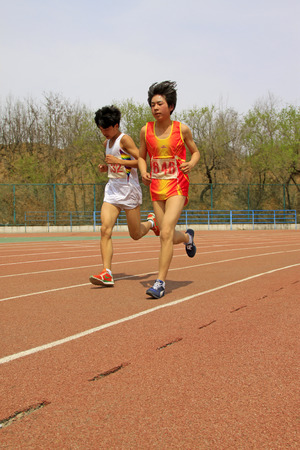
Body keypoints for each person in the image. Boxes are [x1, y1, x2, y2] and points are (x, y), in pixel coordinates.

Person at [138, 81, 200, 299]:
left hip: (177, 185)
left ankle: (160, 282)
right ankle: (187, 237)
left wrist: (191, 164)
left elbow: (195, 152)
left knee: (165, 232)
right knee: (167, 235)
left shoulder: (181, 129)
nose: (155, 108)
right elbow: (141, 156)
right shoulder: (146, 130)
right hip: (157, 186)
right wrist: (143, 171)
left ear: (170, 106)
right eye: (152, 104)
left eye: (160, 104)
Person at [89, 105, 159, 287]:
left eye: (106, 128)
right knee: (105, 229)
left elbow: (142, 160)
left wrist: (118, 161)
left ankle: (151, 223)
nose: (103, 132)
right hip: (112, 191)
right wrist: (107, 168)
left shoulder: (124, 140)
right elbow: (117, 166)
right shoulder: (106, 143)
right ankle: (107, 272)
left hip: (129, 191)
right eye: (100, 128)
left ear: (116, 125)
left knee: (135, 234)